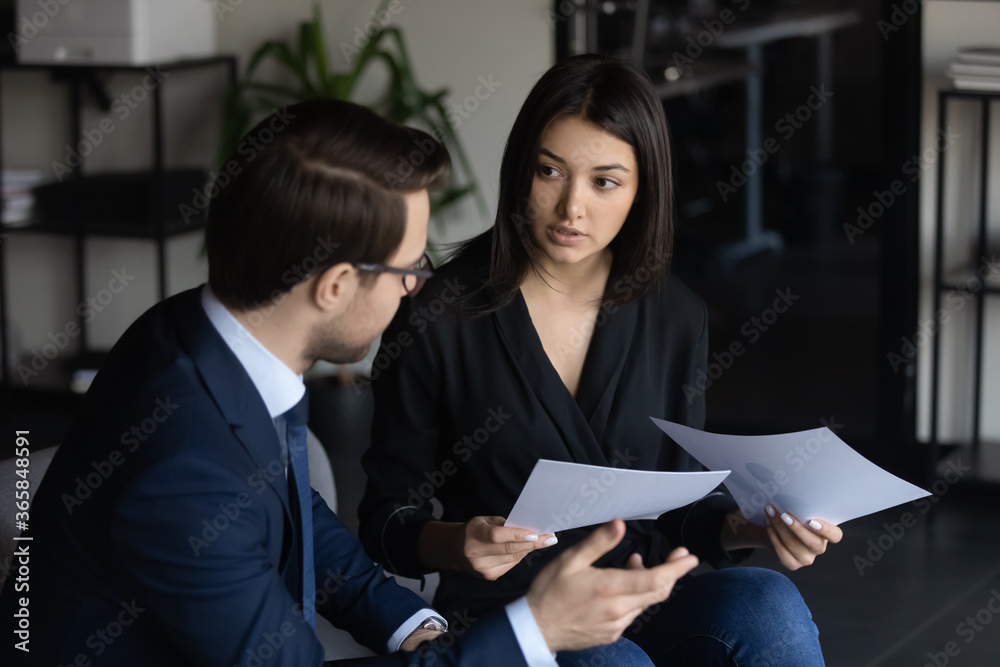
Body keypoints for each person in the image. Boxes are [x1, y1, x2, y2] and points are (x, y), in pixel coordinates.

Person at [0, 99, 702, 667]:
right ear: (336, 285)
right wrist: (533, 628)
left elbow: (286, 500)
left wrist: (409, 620)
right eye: (408, 269)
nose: (416, 291)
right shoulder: (185, 481)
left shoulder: (198, 329)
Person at [358, 54, 844, 666]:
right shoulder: (440, 317)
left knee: (765, 600)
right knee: (612, 662)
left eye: (605, 182)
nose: (571, 209)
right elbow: (383, 521)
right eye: (550, 171)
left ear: (644, 189)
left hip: (644, 596)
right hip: (521, 619)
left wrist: (751, 528)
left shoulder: (674, 314)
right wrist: (459, 543)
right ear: (520, 171)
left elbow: (675, 513)